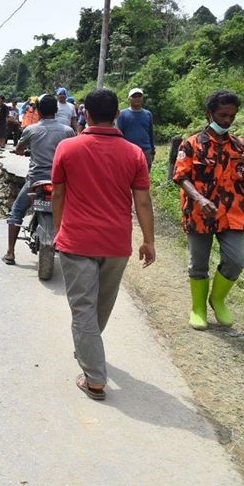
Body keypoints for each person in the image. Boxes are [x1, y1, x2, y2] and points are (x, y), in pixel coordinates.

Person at [52, 88, 155, 400]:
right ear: (116, 115)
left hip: (77, 241)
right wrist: (148, 241)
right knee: (100, 307)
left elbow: (58, 194)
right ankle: (89, 351)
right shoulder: (134, 153)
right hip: (116, 243)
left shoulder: (67, 148)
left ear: (85, 114)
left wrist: (60, 230)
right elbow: (143, 202)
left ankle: (95, 378)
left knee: (84, 308)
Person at [172, 90, 244, 330]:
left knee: (236, 260)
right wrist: (200, 199)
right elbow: (180, 176)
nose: (227, 121)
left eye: (231, 116)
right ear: (209, 113)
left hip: (233, 213)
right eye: (222, 115)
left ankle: (217, 299)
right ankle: (198, 308)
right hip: (200, 212)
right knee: (198, 263)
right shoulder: (190, 144)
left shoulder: (241, 146)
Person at [2, 94, 75, 265]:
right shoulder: (68, 131)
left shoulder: (31, 130)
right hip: (60, 183)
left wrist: (22, 151)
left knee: (16, 212)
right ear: (56, 111)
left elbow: (19, 149)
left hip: (36, 181)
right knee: (72, 213)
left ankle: (11, 253)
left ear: (39, 111)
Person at [116, 88, 155, 170]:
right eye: (134, 96)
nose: (137, 98)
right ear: (129, 99)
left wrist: (152, 150)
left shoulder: (148, 114)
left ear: (142, 98)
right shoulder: (122, 114)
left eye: (139, 96)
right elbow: (119, 134)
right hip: (128, 151)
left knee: (144, 177)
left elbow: (151, 133)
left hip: (145, 150)